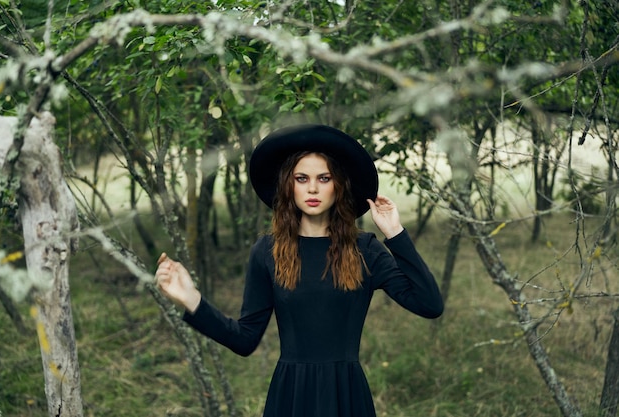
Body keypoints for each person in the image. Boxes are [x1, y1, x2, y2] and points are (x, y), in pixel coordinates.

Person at [154, 124, 444, 417]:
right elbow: (244, 339)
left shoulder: (365, 249)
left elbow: (429, 304)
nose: (313, 188)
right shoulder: (267, 252)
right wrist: (191, 299)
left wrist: (395, 234)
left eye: (324, 178)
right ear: (288, 185)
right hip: (290, 397)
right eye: (302, 179)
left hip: (347, 395)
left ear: (339, 185)